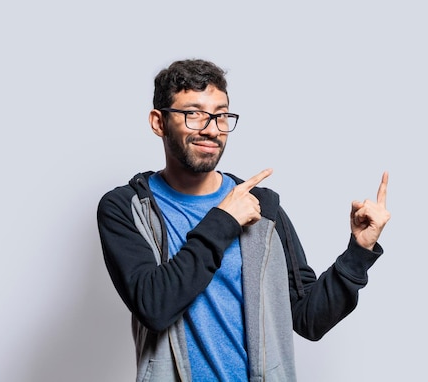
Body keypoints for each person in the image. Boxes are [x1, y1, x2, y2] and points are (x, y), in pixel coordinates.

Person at [96, 58, 391, 382]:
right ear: (158, 122)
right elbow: (155, 306)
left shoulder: (263, 208)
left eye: (221, 116)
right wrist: (223, 220)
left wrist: (358, 252)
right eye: (193, 114)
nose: (211, 129)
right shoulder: (127, 208)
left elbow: (309, 319)